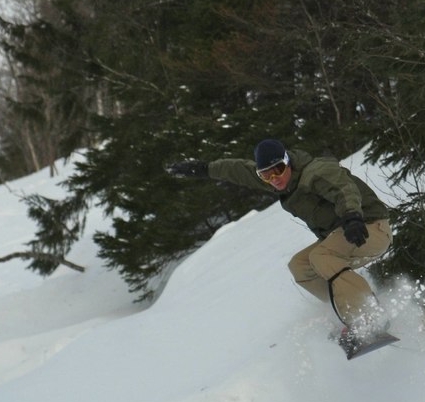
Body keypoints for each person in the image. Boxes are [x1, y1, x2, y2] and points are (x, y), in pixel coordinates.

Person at [168, 139, 393, 344]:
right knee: (300, 266)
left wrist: (352, 216)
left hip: (368, 227)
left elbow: (344, 189)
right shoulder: (282, 182)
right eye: (266, 175)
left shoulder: (315, 172)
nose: (274, 179)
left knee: (320, 256)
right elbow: (238, 169)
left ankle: (368, 316)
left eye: (277, 170)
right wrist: (204, 169)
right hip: (345, 234)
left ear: (288, 163)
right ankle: (347, 312)